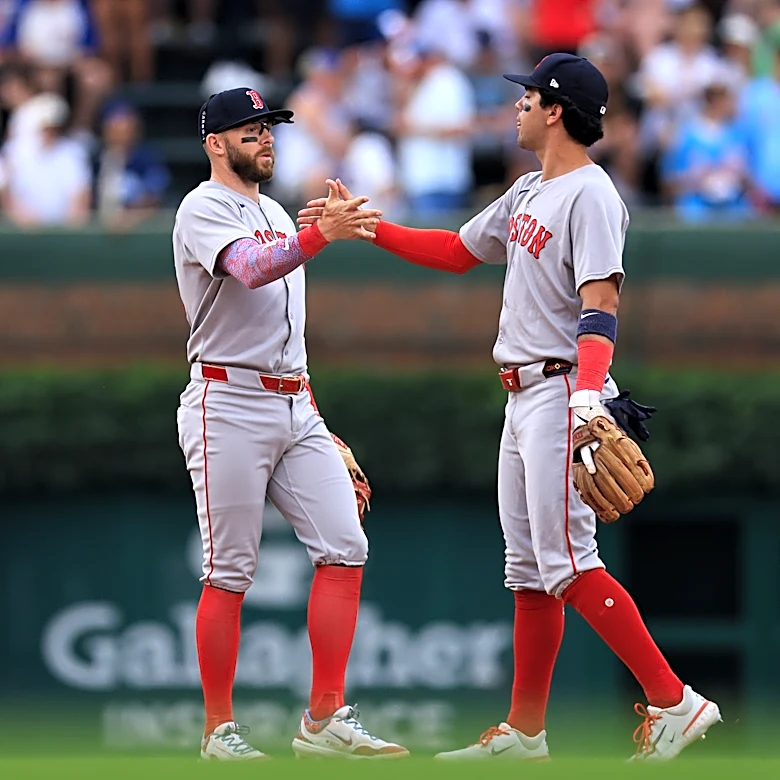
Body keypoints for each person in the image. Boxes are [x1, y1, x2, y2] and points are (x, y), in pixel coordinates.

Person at [298, 54, 722, 762]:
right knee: (530, 570)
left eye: (527, 97)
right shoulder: (530, 189)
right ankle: (525, 733)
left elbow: (601, 304)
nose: (517, 108)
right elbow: (459, 250)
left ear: (555, 110)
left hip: (563, 390)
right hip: (522, 394)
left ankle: (674, 700)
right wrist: (366, 226)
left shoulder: (591, 195)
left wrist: (590, 394)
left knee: (566, 561)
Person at [172, 86, 408, 761]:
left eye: (269, 127)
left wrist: (311, 413)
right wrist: (318, 236)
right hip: (228, 400)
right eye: (250, 130)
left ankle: (324, 720)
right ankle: (219, 732)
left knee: (345, 545)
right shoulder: (202, 206)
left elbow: (283, 312)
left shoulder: (273, 208)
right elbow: (248, 269)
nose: (265, 138)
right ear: (216, 143)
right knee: (230, 571)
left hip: (293, 400)